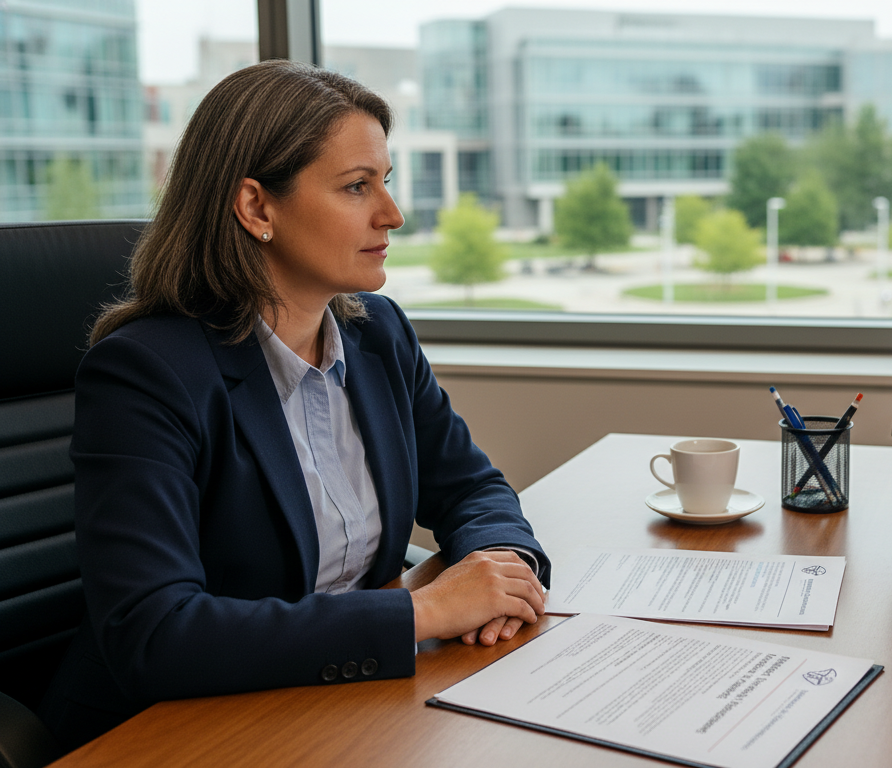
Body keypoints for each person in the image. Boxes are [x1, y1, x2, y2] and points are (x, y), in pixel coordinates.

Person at [39, 60, 549, 750]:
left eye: (385, 182)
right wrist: (419, 612)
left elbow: (472, 488)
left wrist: (501, 569)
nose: (392, 214)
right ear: (256, 208)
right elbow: (157, 633)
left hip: (342, 705)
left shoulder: (379, 333)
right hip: (172, 731)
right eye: (356, 187)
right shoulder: (145, 374)